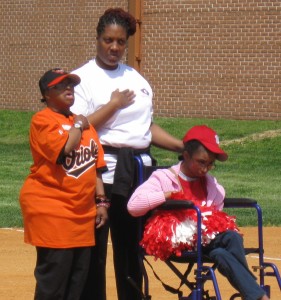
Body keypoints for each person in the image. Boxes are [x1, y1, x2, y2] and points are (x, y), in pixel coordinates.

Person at [70, 7, 184, 300]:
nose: (114, 47)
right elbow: (78, 128)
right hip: (101, 174)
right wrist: (113, 105)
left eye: (120, 42)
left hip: (137, 174)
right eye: (108, 40)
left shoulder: (136, 78)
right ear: (97, 38)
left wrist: (182, 147)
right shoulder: (82, 79)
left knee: (132, 250)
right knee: (94, 253)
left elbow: (146, 128)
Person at [128, 125, 269, 300]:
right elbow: (133, 206)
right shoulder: (164, 178)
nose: (205, 168)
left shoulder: (211, 184)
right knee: (223, 249)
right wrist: (165, 196)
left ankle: (253, 294)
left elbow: (216, 215)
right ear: (186, 155)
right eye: (201, 162)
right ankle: (257, 294)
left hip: (205, 241)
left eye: (211, 164)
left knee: (229, 242)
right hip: (178, 242)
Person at [19, 68, 109, 300]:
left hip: (81, 215)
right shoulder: (43, 120)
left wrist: (101, 202)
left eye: (70, 84)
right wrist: (79, 126)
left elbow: (96, 167)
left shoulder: (83, 124)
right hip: (52, 211)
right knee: (53, 285)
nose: (69, 88)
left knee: (77, 284)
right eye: (61, 85)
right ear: (46, 94)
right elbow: (64, 150)